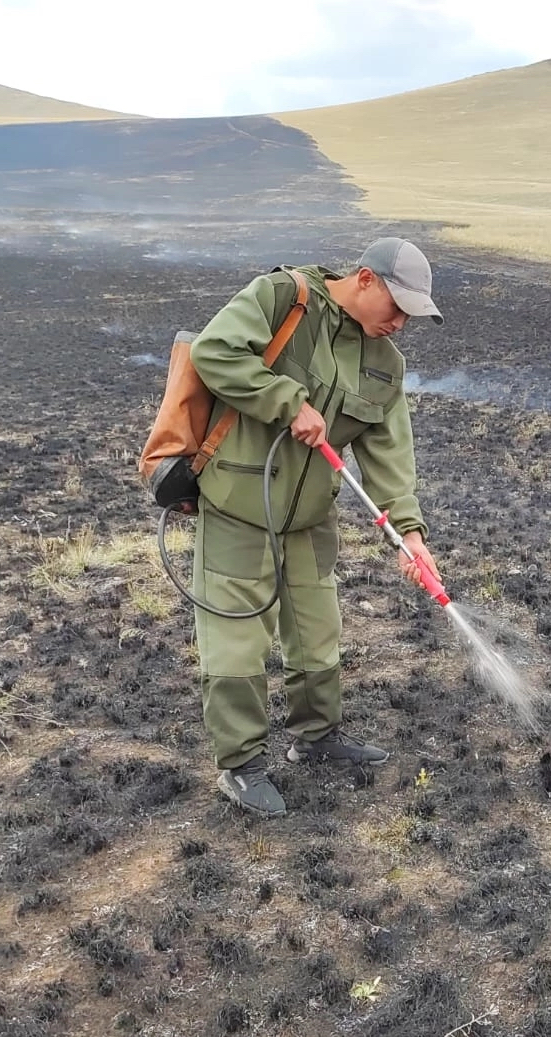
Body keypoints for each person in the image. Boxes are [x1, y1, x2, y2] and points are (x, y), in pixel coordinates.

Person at [186, 237, 443, 817]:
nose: (400, 324)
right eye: (397, 307)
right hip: (238, 505)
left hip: (309, 518)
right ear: (365, 279)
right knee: (236, 641)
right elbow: (215, 351)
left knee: (317, 630)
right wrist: (285, 400)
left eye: (411, 316)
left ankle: (318, 738)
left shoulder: (385, 365)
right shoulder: (284, 298)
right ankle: (242, 766)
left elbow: (389, 455)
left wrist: (410, 534)